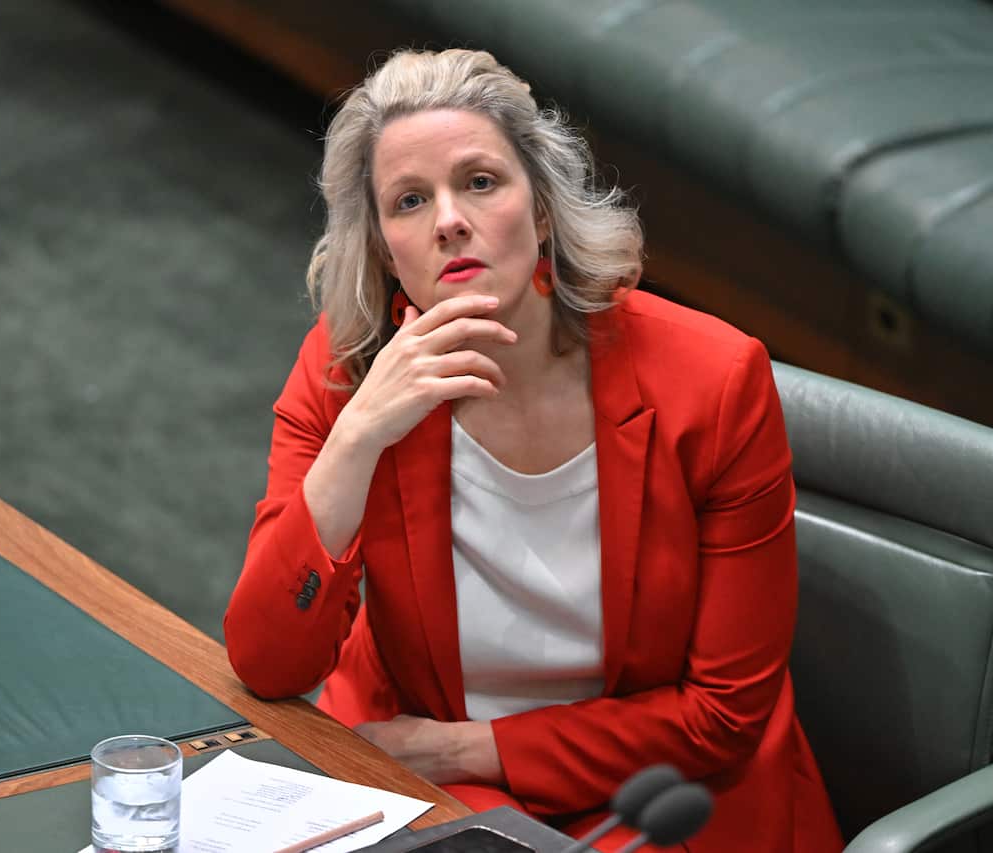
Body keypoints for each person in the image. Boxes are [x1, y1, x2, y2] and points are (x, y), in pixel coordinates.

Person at [224, 48, 842, 853]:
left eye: (480, 182)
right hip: (431, 789)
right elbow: (268, 662)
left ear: (543, 210)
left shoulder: (713, 381)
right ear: (382, 248)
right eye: (410, 200)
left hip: (654, 796)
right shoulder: (348, 373)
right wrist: (359, 437)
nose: (449, 219)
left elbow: (722, 714)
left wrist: (467, 748)